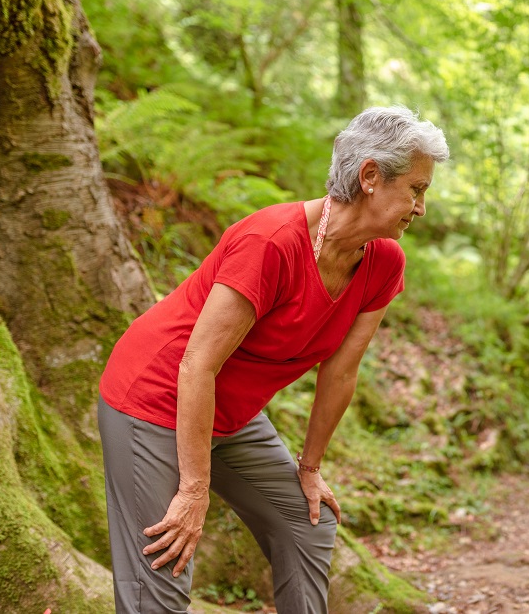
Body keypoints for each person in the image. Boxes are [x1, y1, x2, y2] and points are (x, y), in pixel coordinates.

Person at [97, 106, 449, 613]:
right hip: (154, 398)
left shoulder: (384, 262)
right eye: (416, 189)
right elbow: (197, 364)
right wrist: (194, 489)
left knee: (307, 520)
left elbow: (341, 371)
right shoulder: (271, 242)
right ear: (370, 176)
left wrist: (310, 466)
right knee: (165, 563)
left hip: (230, 412)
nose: (420, 208)